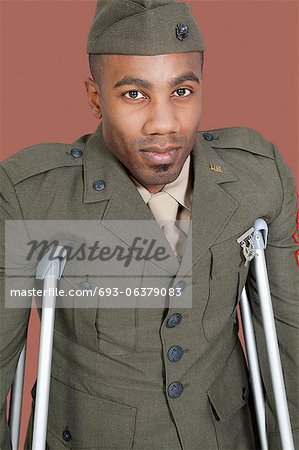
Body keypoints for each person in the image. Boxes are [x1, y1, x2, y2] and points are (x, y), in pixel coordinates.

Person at [0, 0, 298, 449]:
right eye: (134, 94)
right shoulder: (32, 197)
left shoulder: (258, 178)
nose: (164, 124)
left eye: (182, 91)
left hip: (222, 436)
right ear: (96, 98)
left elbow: (288, 333)